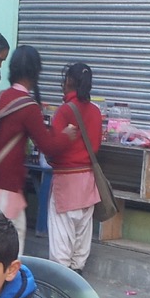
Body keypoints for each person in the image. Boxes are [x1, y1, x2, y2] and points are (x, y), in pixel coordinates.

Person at [0, 45, 75, 254]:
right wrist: (66, 136)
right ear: (35, 72)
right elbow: (48, 146)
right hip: (8, 188)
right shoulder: (28, 107)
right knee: (12, 247)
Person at [44, 62, 104, 273]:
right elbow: (95, 146)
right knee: (82, 234)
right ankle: (77, 274)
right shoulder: (95, 111)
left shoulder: (64, 111)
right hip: (88, 181)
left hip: (66, 180)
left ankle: (62, 278)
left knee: (61, 236)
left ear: (69, 81)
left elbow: (53, 146)